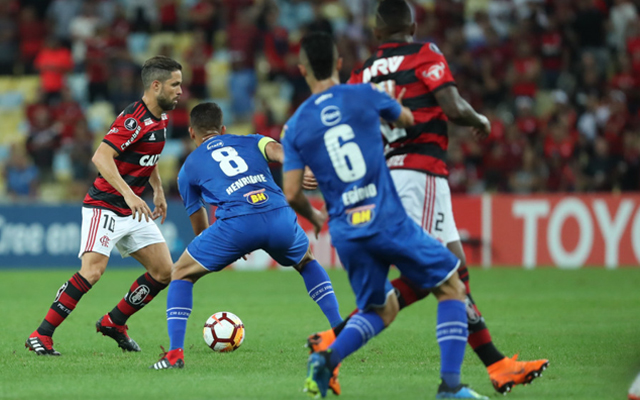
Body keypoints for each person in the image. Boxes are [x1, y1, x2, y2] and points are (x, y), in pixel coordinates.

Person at [307, 1, 549, 394]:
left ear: (376, 32)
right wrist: (479, 119)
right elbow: (452, 106)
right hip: (419, 173)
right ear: (413, 25)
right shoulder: (424, 53)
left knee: (456, 268)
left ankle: (498, 364)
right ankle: (336, 343)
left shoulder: (361, 72)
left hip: (390, 175)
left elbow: (345, 128)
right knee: (441, 277)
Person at [282, 32, 488, 399]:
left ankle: (327, 360)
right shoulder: (363, 94)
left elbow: (293, 192)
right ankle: (450, 387)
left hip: (346, 230)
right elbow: (406, 118)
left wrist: (313, 217)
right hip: (385, 217)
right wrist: (396, 108)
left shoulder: (294, 126)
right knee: (452, 286)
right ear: (340, 64)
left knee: (381, 308)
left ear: (302, 70)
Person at [149, 102, 342, 370]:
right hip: (278, 213)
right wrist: (305, 169)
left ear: (192, 133)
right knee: (307, 261)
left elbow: (200, 229)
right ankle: (340, 330)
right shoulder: (251, 139)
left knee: (181, 273)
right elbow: (277, 150)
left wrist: (232, 244)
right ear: (224, 129)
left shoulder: (188, 169)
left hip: (237, 225)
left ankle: (174, 355)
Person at [25, 55, 183, 355]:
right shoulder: (133, 119)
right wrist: (128, 193)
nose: (180, 91)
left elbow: (148, 156)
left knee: (164, 271)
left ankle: (114, 321)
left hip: (133, 206)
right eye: (175, 85)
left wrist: (158, 189)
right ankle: (41, 335)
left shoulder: (161, 116)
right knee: (93, 271)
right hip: (106, 204)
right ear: (156, 85)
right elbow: (101, 157)